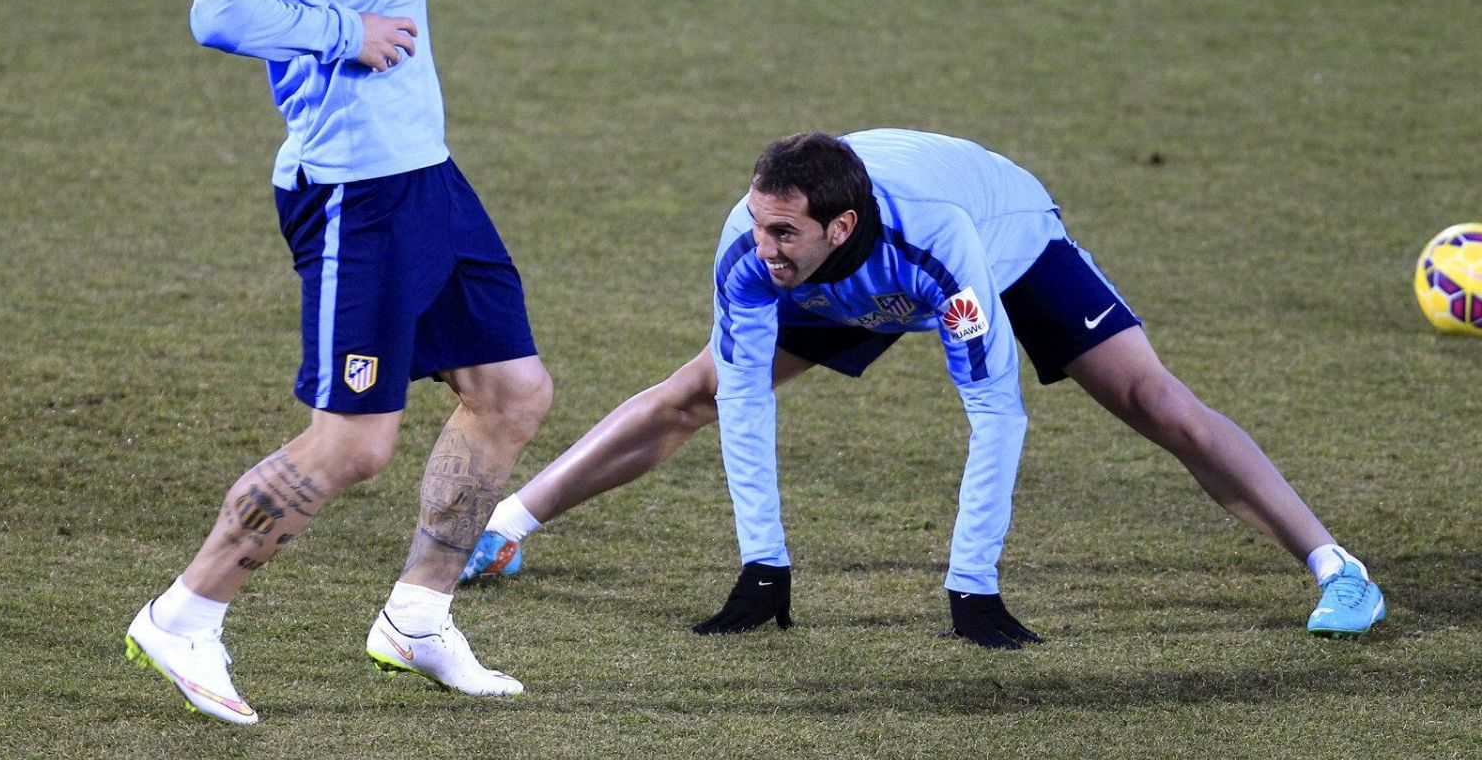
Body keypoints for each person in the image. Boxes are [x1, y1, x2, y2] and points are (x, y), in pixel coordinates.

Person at [462, 129, 1386, 646]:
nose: (759, 243)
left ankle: (1336, 568)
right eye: (758, 224)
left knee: (1154, 402)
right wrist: (763, 561)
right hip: (845, 281)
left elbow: (994, 411)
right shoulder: (760, 245)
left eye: (781, 230)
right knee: (692, 391)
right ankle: (504, 529)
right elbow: (741, 399)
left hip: (1002, 244)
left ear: (838, 224)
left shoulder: (940, 239)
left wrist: (971, 585)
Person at [124, 0, 553, 725]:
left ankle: (417, 615)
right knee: (355, 440)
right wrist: (341, 35)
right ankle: (184, 614)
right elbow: (221, 7)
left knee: (510, 392)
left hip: (425, 175)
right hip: (357, 194)